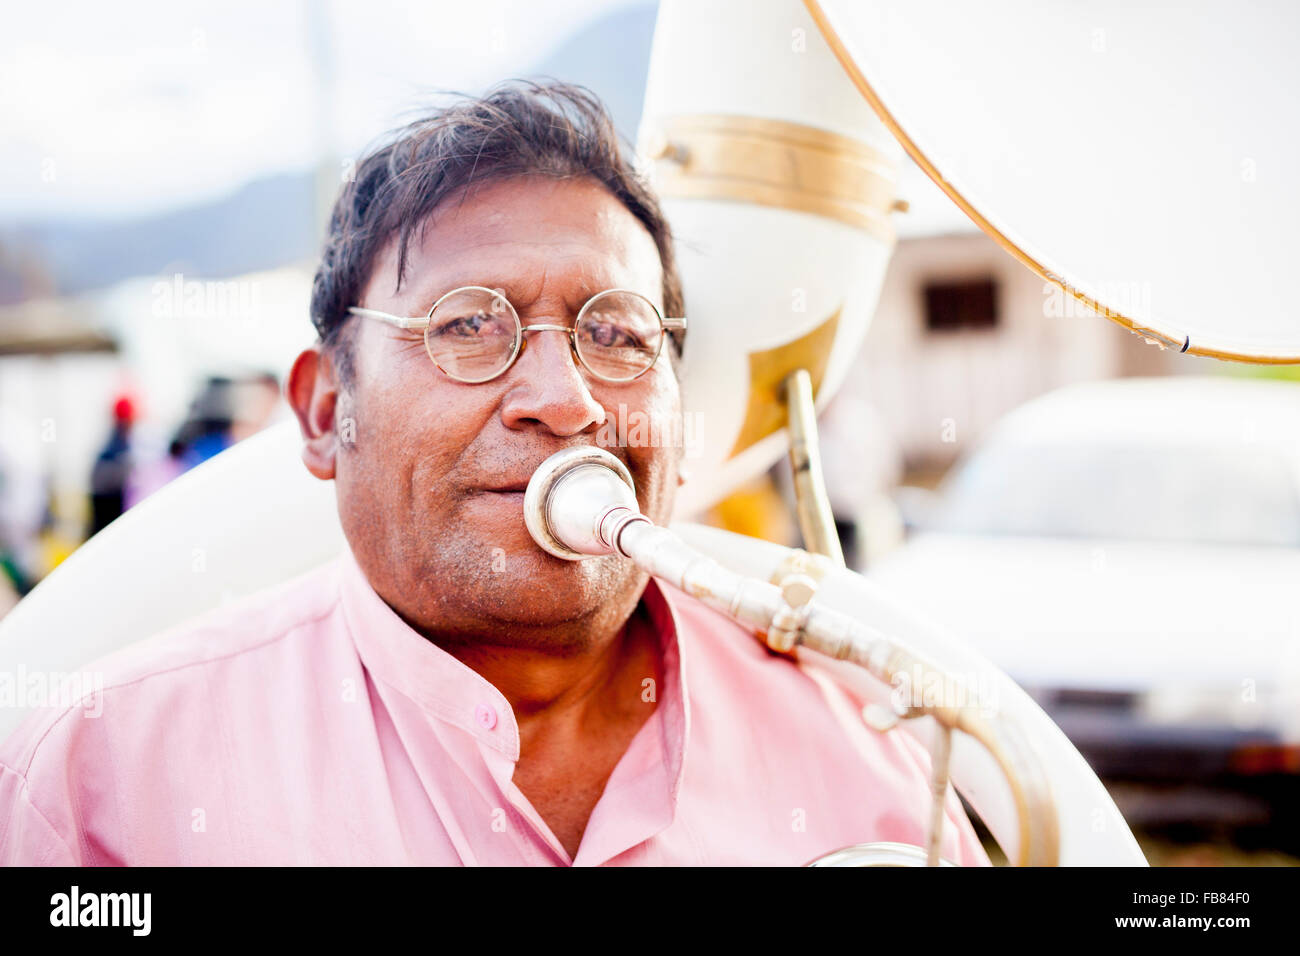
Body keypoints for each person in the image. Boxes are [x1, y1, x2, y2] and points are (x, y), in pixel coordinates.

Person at [0, 82, 988, 866]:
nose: (564, 400)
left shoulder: (866, 740)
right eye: (468, 324)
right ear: (325, 410)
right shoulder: (108, 772)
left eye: (615, 333)